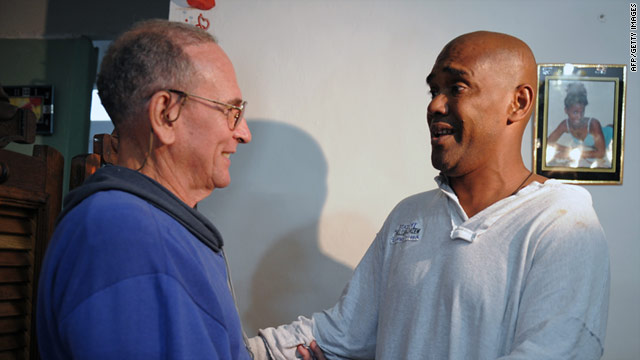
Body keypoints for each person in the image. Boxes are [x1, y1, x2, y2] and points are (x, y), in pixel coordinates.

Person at [247, 31, 610, 359]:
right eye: (433, 89)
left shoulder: (562, 222)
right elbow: (340, 333)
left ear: (517, 103)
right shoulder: (409, 216)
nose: (435, 105)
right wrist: (242, 350)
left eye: (457, 88)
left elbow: (552, 351)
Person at [36, 19, 253, 359]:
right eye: (232, 111)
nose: (243, 133)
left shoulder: (159, 226)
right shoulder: (123, 235)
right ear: (166, 113)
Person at [546, 82, 609, 168]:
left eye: (582, 112)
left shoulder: (593, 124)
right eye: (575, 112)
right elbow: (548, 142)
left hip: (613, 137)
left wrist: (569, 154)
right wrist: (568, 150)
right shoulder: (565, 125)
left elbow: (601, 153)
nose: (579, 116)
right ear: (566, 110)